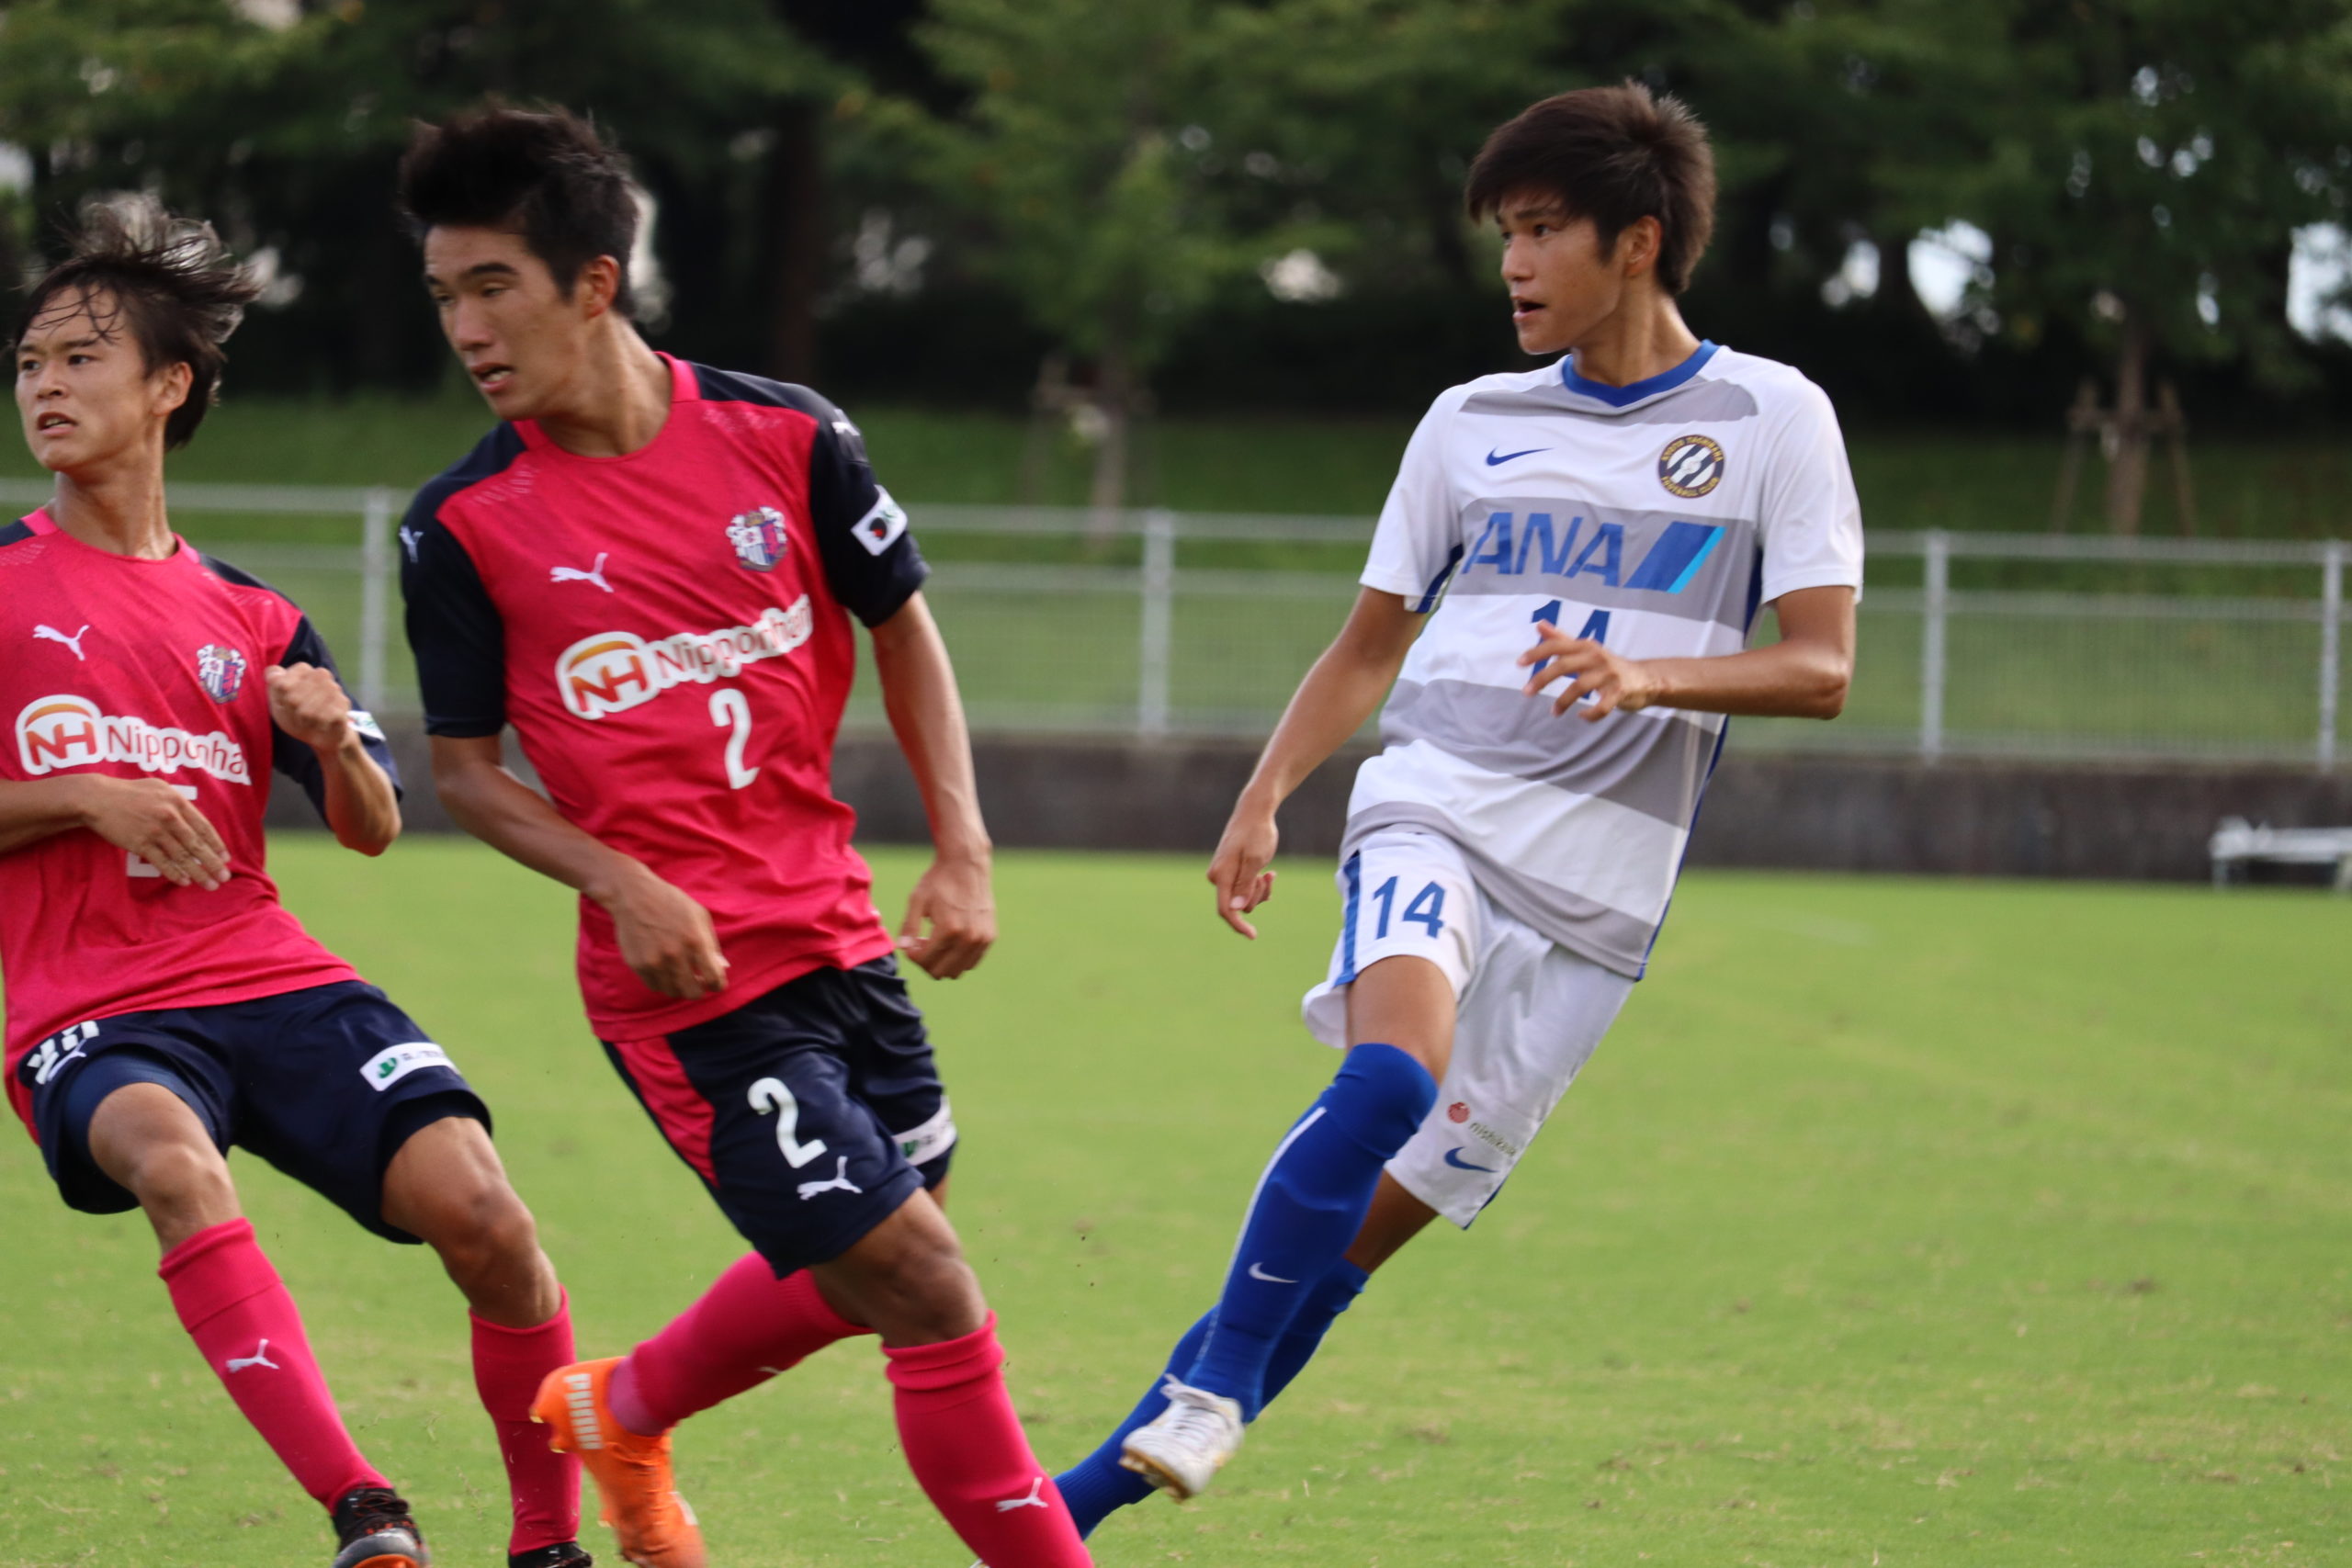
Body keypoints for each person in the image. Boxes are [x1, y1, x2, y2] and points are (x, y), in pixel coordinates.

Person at [1054, 82, 1865, 1531]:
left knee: (1349, 1254)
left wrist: (1649, 675)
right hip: (1439, 804)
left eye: (1544, 230)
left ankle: (1063, 1520)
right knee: (1386, 1081)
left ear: (1639, 241)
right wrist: (1265, 794)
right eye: (1506, 233)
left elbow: (1822, 666)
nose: (1514, 264)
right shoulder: (1469, 421)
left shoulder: (1772, 417)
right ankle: (1207, 1396)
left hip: (1601, 902)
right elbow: (1370, 645)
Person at [393, 105, 1091, 1568]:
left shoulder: (791, 434)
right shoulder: (461, 524)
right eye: (446, 294)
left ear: (595, 282)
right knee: (929, 1285)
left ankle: (620, 1409)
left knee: (889, 1248)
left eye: (493, 287)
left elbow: (903, 628)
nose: (465, 329)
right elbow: (463, 774)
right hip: (689, 988)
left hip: (836, 926)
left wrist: (961, 847)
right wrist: (618, 880)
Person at [2, 199, 590, 1568]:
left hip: (269, 974)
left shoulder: (256, 617)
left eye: (80, 359)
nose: (44, 387)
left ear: (170, 385)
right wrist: (84, 796)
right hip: (92, 1004)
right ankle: (363, 1507)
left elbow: (373, 828)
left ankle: (547, 1544)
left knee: (488, 1216)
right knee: (175, 1165)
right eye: (29, 363)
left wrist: (331, 743)